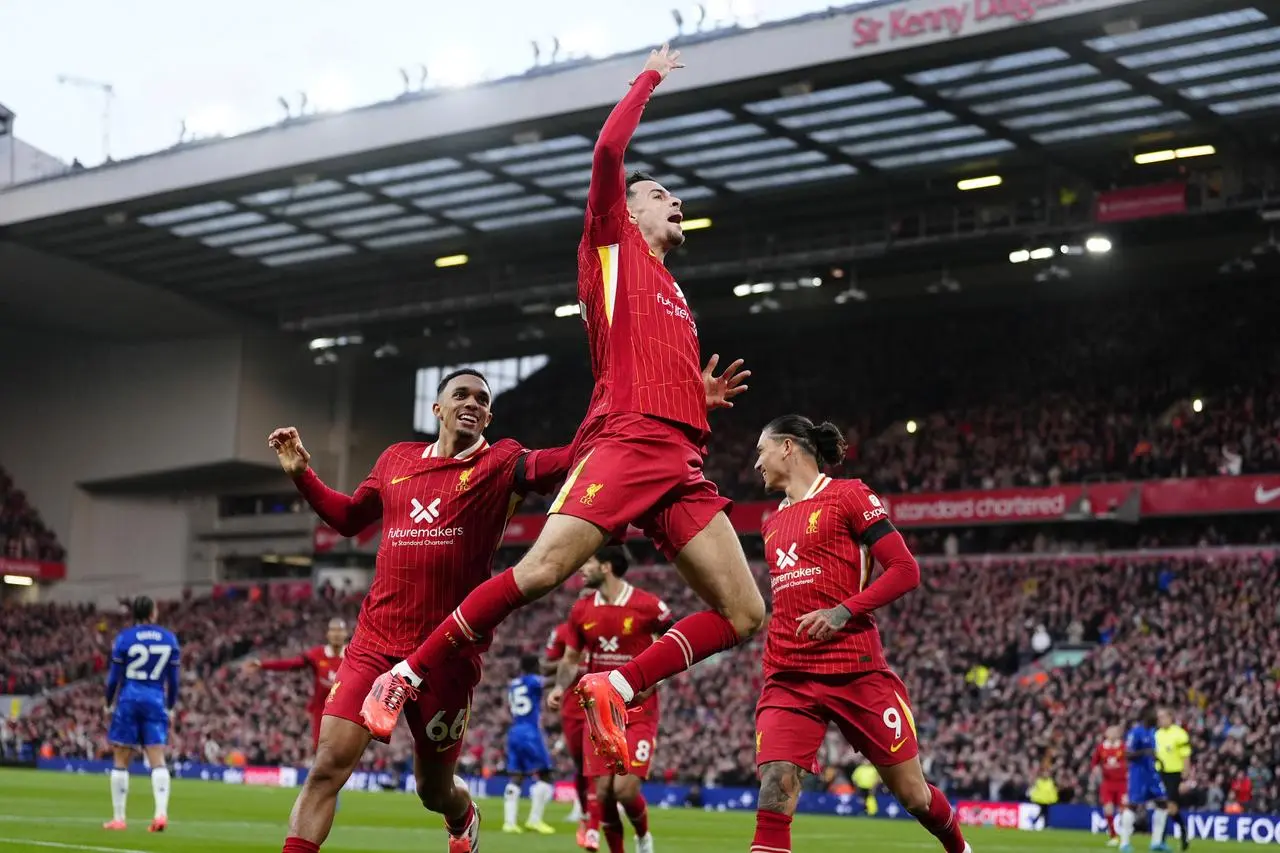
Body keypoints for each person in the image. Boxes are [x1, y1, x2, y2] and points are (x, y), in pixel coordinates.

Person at [369, 43, 763, 783]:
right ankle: (408, 673)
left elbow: (636, 358)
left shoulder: (673, 293)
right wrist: (649, 78)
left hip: (680, 458)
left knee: (745, 614)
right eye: (661, 194)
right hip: (626, 441)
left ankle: (613, 685)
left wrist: (693, 396)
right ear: (630, 208)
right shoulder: (611, 244)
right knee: (546, 570)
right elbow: (610, 147)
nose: (676, 202)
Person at [269, 368, 575, 853]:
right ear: (438, 409)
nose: (471, 402)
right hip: (374, 644)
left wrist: (653, 426)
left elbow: (567, 459)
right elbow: (349, 519)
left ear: (489, 416)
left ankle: (462, 815)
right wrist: (303, 475)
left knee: (432, 789)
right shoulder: (396, 460)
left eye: (482, 398)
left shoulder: (501, 462)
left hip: (446, 657)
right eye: (461, 395)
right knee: (327, 766)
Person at [748, 415, 971, 853]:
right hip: (788, 676)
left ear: (788, 447)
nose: (757, 463)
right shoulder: (770, 523)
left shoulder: (848, 495)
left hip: (854, 670)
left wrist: (843, 611)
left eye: (762, 451)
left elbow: (906, 571)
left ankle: (961, 849)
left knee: (913, 795)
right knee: (775, 788)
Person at [547, 548, 669, 853]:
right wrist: (560, 687)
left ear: (606, 566)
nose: (581, 570)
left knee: (624, 790)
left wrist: (657, 678)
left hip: (639, 709)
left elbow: (673, 644)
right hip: (599, 711)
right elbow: (571, 657)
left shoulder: (649, 606)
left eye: (587, 563)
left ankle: (643, 838)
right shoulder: (581, 610)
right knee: (603, 793)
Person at [103, 595, 180, 833]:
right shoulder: (169, 639)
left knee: (121, 759)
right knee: (157, 758)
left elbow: (114, 678)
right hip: (155, 699)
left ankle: (119, 818)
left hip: (129, 699)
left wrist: (108, 703)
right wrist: (170, 706)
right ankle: (160, 814)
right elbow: (173, 681)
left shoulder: (125, 638)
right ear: (152, 612)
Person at [244, 618, 350, 751]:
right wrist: (263, 664)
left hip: (345, 710)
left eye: (340, 630)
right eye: (333, 630)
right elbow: (292, 664)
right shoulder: (318, 654)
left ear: (346, 634)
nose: (336, 634)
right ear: (328, 634)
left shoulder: (352, 655)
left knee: (343, 751)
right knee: (321, 750)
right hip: (321, 710)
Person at [544, 618, 592, 844]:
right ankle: (583, 810)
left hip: (604, 701)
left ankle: (599, 809)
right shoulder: (563, 631)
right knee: (581, 763)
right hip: (573, 706)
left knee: (604, 759)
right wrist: (570, 659)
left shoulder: (612, 625)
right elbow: (545, 665)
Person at [503, 654, 556, 835]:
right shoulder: (533, 680)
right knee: (546, 775)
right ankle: (535, 820)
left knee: (516, 777)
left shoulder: (514, 685)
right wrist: (569, 670)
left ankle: (509, 823)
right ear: (534, 666)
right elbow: (549, 682)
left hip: (514, 730)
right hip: (529, 732)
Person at [1118, 707, 1171, 853]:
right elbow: (1127, 755)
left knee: (1163, 803)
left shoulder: (1152, 732)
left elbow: (1151, 752)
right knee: (1133, 806)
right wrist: (1144, 752)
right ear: (1148, 716)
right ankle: (1124, 844)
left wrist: (1157, 758)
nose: (1159, 719)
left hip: (1152, 774)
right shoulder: (1136, 732)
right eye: (1157, 716)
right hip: (1138, 775)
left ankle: (1156, 842)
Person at [1155, 709, 1192, 851]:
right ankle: (1161, 840)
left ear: (1171, 717)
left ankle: (1183, 832)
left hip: (1174, 774)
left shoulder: (1179, 733)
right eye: (1159, 718)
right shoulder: (1157, 734)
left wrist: (1185, 776)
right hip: (1160, 773)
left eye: (1164, 717)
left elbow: (1186, 755)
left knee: (1171, 808)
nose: (1161, 720)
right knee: (1163, 807)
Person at [1091, 725, 1129, 846]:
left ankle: (1125, 836)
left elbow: (1130, 761)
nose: (1112, 733)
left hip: (1122, 782)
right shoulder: (1101, 747)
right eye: (1110, 731)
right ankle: (1113, 836)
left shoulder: (1123, 747)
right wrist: (1096, 770)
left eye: (1115, 731)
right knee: (1108, 808)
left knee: (1124, 810)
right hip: (1107, 783)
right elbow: (1094, 763)